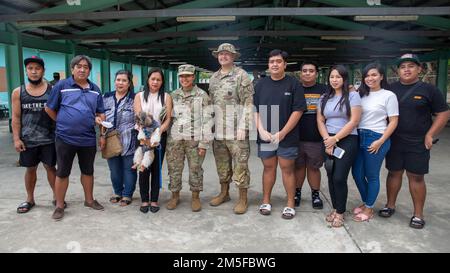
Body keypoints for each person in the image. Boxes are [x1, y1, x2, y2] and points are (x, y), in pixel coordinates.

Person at [379, 53, 450, 229]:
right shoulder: (390, 89)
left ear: (419, 69)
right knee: (393, 172)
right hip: (394, 139)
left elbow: (443, 113)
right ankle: (390, 205)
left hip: (418, 141)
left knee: (416, 177)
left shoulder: (429, 90)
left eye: (411, 66)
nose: (406, 69)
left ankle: (418, 214)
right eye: (403, 67)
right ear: (398, 71)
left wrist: (430, 134)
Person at [45, 55, 106, 221]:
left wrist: (102, 132)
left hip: (87, 138)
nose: (82, 69)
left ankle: (89, 200)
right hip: (65, 137)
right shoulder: (62, 86)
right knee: (62, 171)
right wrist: (63, 121)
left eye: (86, 67)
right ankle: (59, 205)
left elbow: (101, 112)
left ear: (89, 71)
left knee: (88, 170)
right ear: (72, 69)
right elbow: (49, 108)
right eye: (78, 66)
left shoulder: (95, 89)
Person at [254, 49, 306, 220]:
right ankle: (266, 200)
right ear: (268, 65)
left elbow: (298, 110)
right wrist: (261, 130)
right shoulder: (260, 84)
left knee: (287, 169)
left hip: (287, 135)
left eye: (278, 61)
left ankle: (290, 204)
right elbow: (255, 109)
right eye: (271, 62)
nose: (274, 64)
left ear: (285, 64)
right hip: (267, 134)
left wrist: (283, 133)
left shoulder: (294, 84)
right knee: (268, 168)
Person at [208, 43, 254, 214]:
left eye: (227, 54)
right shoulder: (213, 78)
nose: (223, 56)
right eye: (221, 54)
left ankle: (243, 198)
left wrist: (244, 126)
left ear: (233, 57)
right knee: (222, 165)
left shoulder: (241, 76)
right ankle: (224, 193)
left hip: (236, 132)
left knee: (240, 165)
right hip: (218, 131)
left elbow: (248, 104)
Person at [351, 63, 399, 222]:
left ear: (381, 77)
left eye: (374, 75)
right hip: (359, 136)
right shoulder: (360, 94)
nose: (370, 78)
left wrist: (380, 141)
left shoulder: (388, 95)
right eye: (367, 75)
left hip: (377, 137)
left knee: (371, 175)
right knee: (357, 173)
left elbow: (393, 121)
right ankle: (367, 202)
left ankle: (369, 208)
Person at [317, 65, 361, 228]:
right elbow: (320, 120)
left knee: (339, 177)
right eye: (332, 77)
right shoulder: (324, 97)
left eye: (338, 77)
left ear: (344, 79)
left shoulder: (352, 96)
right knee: (330, 174)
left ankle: (340, 212)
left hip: (347, 140)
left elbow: (354, 121)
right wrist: (327, 139)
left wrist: (335, 139)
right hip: (328, 139)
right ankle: (335, 209)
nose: (334, 80)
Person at [11, 56, 57, 213]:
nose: (34, 71)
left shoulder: (53, 90)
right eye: (30, 68)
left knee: (50, 167)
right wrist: (16, 139)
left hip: (50, 138)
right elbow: (16, 118)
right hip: (28, 139)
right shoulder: (18, 92)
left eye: (37, 68)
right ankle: (29, 199)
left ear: (43, 71)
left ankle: (57, 198)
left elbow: (60, 113)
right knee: (30, 169)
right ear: (26, 71)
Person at [166, 64, 212, 212]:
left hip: (195, 140)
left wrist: (204, 144)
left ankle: (195, 197)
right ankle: (175, 196)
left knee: (195, 169)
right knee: (174, 168)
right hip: (175, 141)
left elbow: (208, 120)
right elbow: (164, 116)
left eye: (187, 76)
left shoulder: (202, 95)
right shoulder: (173, 95)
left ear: (193, 77)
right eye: (181, 76)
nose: (184, 79)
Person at [134, 68, 173, 213]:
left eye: (158, 79)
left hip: (159, 137)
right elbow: (139, 117)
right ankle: (144, 199)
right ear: (148, 80)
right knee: (143, 168)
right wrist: (145, 136)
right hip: (142, 136)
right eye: (153, 79)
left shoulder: (166, 97)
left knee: (156, 169)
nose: (155, 82)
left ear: (162, 82)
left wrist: (157, 133)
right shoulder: (139, 96)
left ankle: (154, 200)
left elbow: (168, 119)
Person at [294, 61, 327, 209]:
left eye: (311, 71)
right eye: (305, 70)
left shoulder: (325, 90)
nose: (307, 73)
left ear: (316, 73)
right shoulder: (295, 88)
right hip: (296, 137)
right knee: (298, 167)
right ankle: (297, 193)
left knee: (314, 168)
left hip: (316, 138)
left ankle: (315, 195)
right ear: (300, 73)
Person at [103, 70, 137, 207]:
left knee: (129, 168)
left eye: (124, 80)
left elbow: (140, 117)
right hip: (110, 138)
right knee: (114, 169)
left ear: (129, 83)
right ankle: (117, 192)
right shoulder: (106, 96)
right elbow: (100, 114)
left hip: (129, 139)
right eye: (118, 80)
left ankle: (127, 194)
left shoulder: (135, 98)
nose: (120, 83)